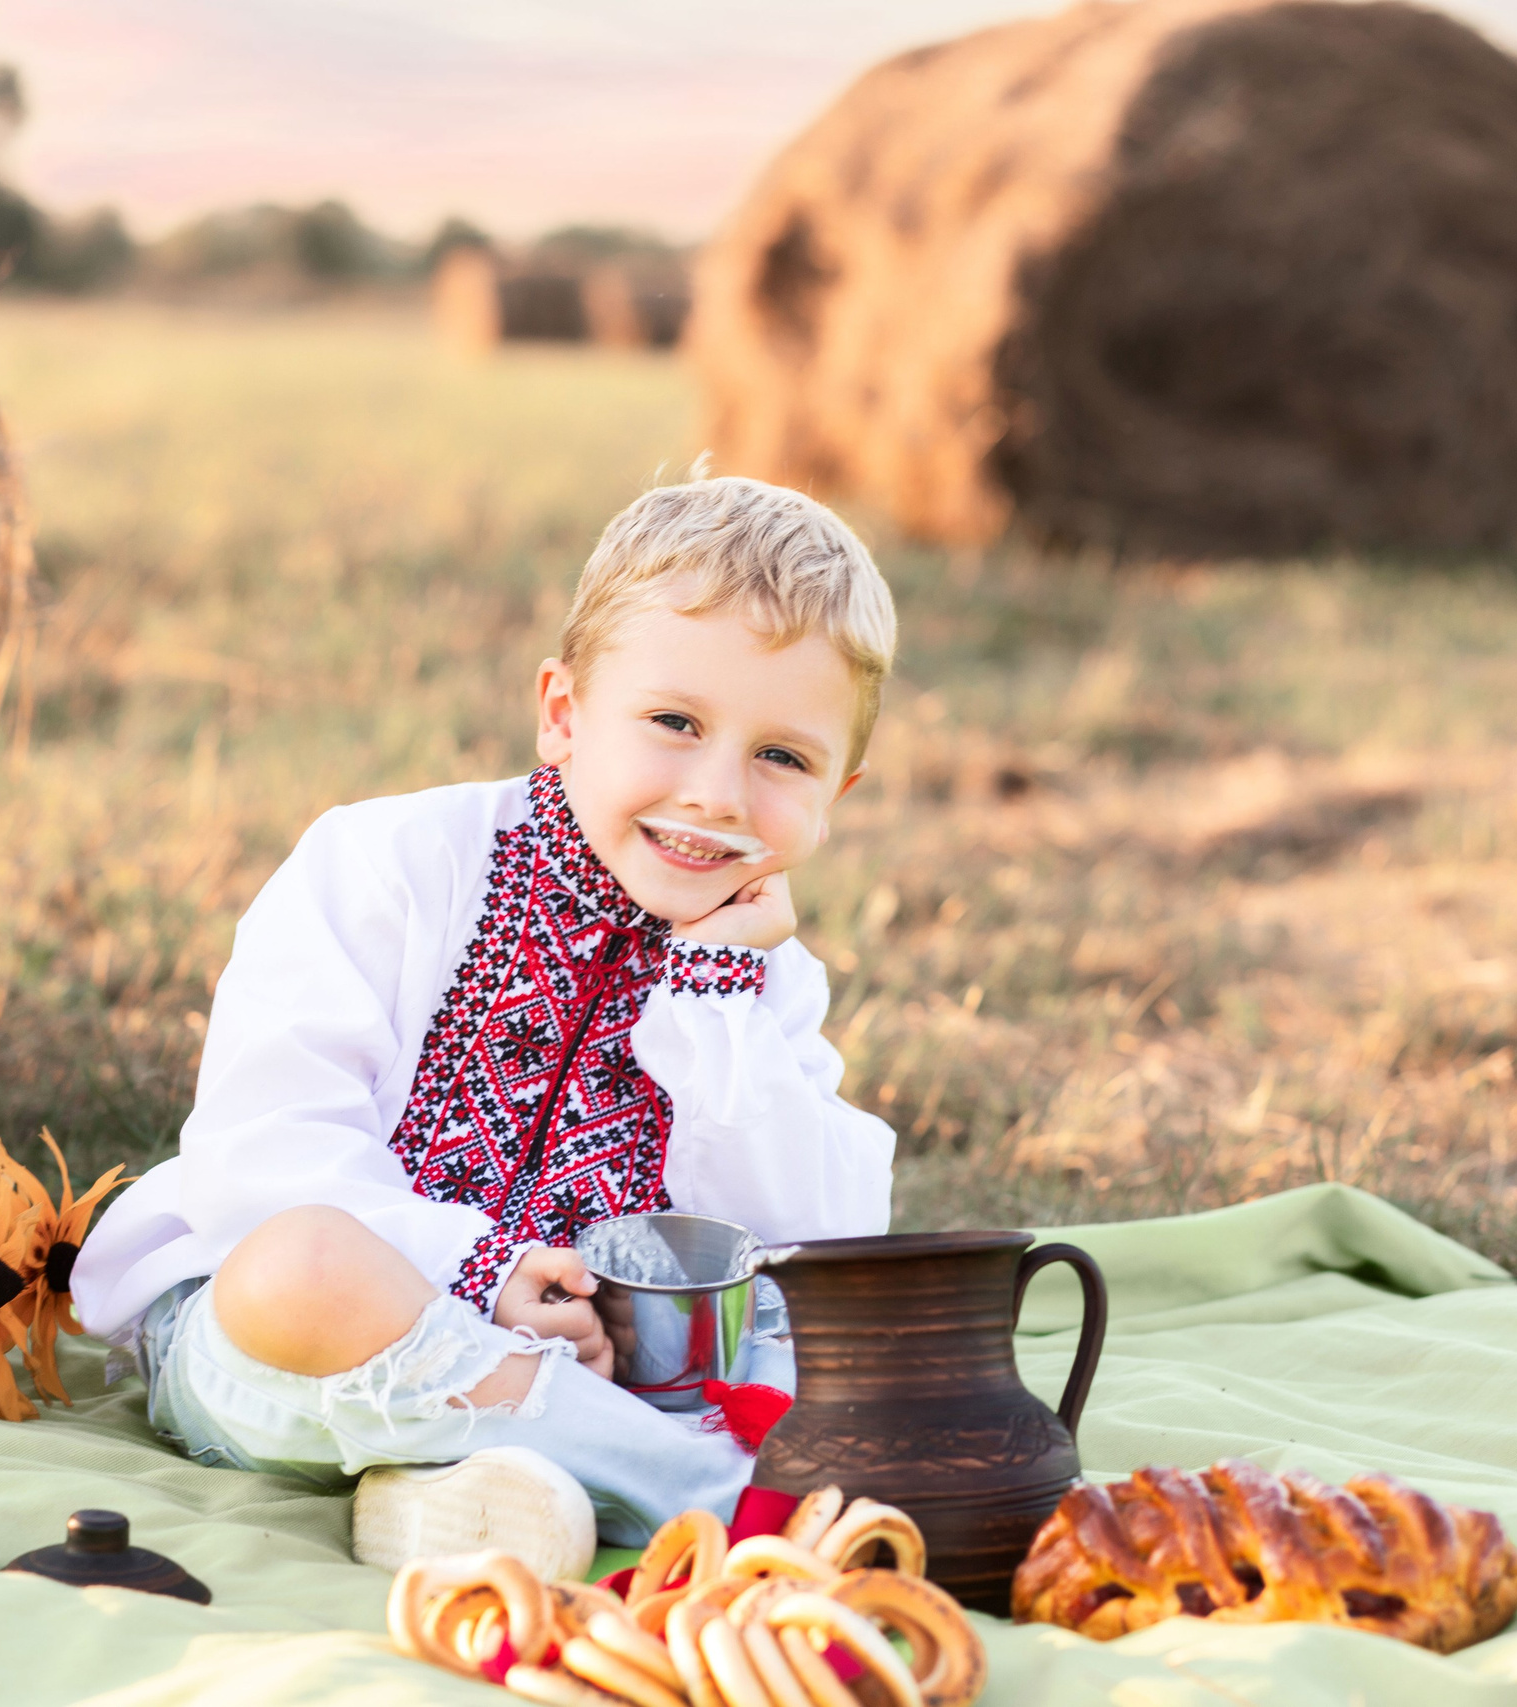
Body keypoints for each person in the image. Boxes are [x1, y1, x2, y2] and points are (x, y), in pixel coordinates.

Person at [69, 475, 897, 1571]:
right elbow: (260, 1155)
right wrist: (478, 1269)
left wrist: (711, 997)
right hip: (295, 1354)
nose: (717, 794)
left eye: (782, 757)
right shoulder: (389, 865)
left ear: (841, 786)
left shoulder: (753, 973)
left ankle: (469, 1494)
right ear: (563, 713)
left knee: (843, 1346)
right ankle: (708, 1498)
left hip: (612, 1379)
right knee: (299, 1264)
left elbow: (812, 1241)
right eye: (672, 724)